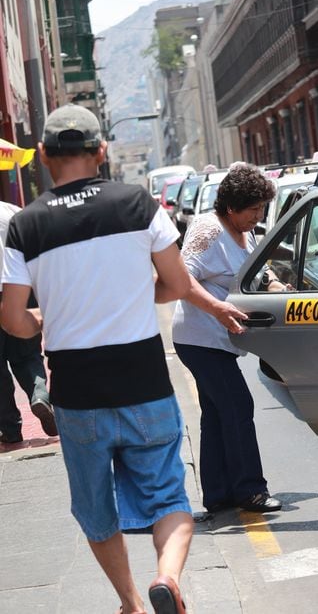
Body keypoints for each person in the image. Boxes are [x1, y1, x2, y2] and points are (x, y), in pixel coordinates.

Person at [0, 104, 194, 614]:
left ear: (43, 155)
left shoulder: (26, 225)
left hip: (77, 396)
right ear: (101, 152)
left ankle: (130, 604)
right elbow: (175, 284)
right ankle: (166, 578)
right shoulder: (137, 204)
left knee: (95, 510)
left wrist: (43, 320)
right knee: (169, 500)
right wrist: (130, 293)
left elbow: (12, 319)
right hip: (145, 384)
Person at [171, 163, 284, 516]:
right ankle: (250, 491)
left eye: (262, 208)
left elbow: (254, 270)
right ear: (232, 206)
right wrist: (218, 309)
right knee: (237, 406)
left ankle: (219, 494)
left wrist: (275, 284)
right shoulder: (208, 229)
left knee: (217, 414)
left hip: (220, 339)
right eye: (253, 209)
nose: (258, 216)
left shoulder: (244, 231)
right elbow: (180, 279)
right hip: (199, 338)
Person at [0, 201, 57, 444]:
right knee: (28, 354)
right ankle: (39, 394)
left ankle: (11, 431)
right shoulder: (13, 212)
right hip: (19, 288)